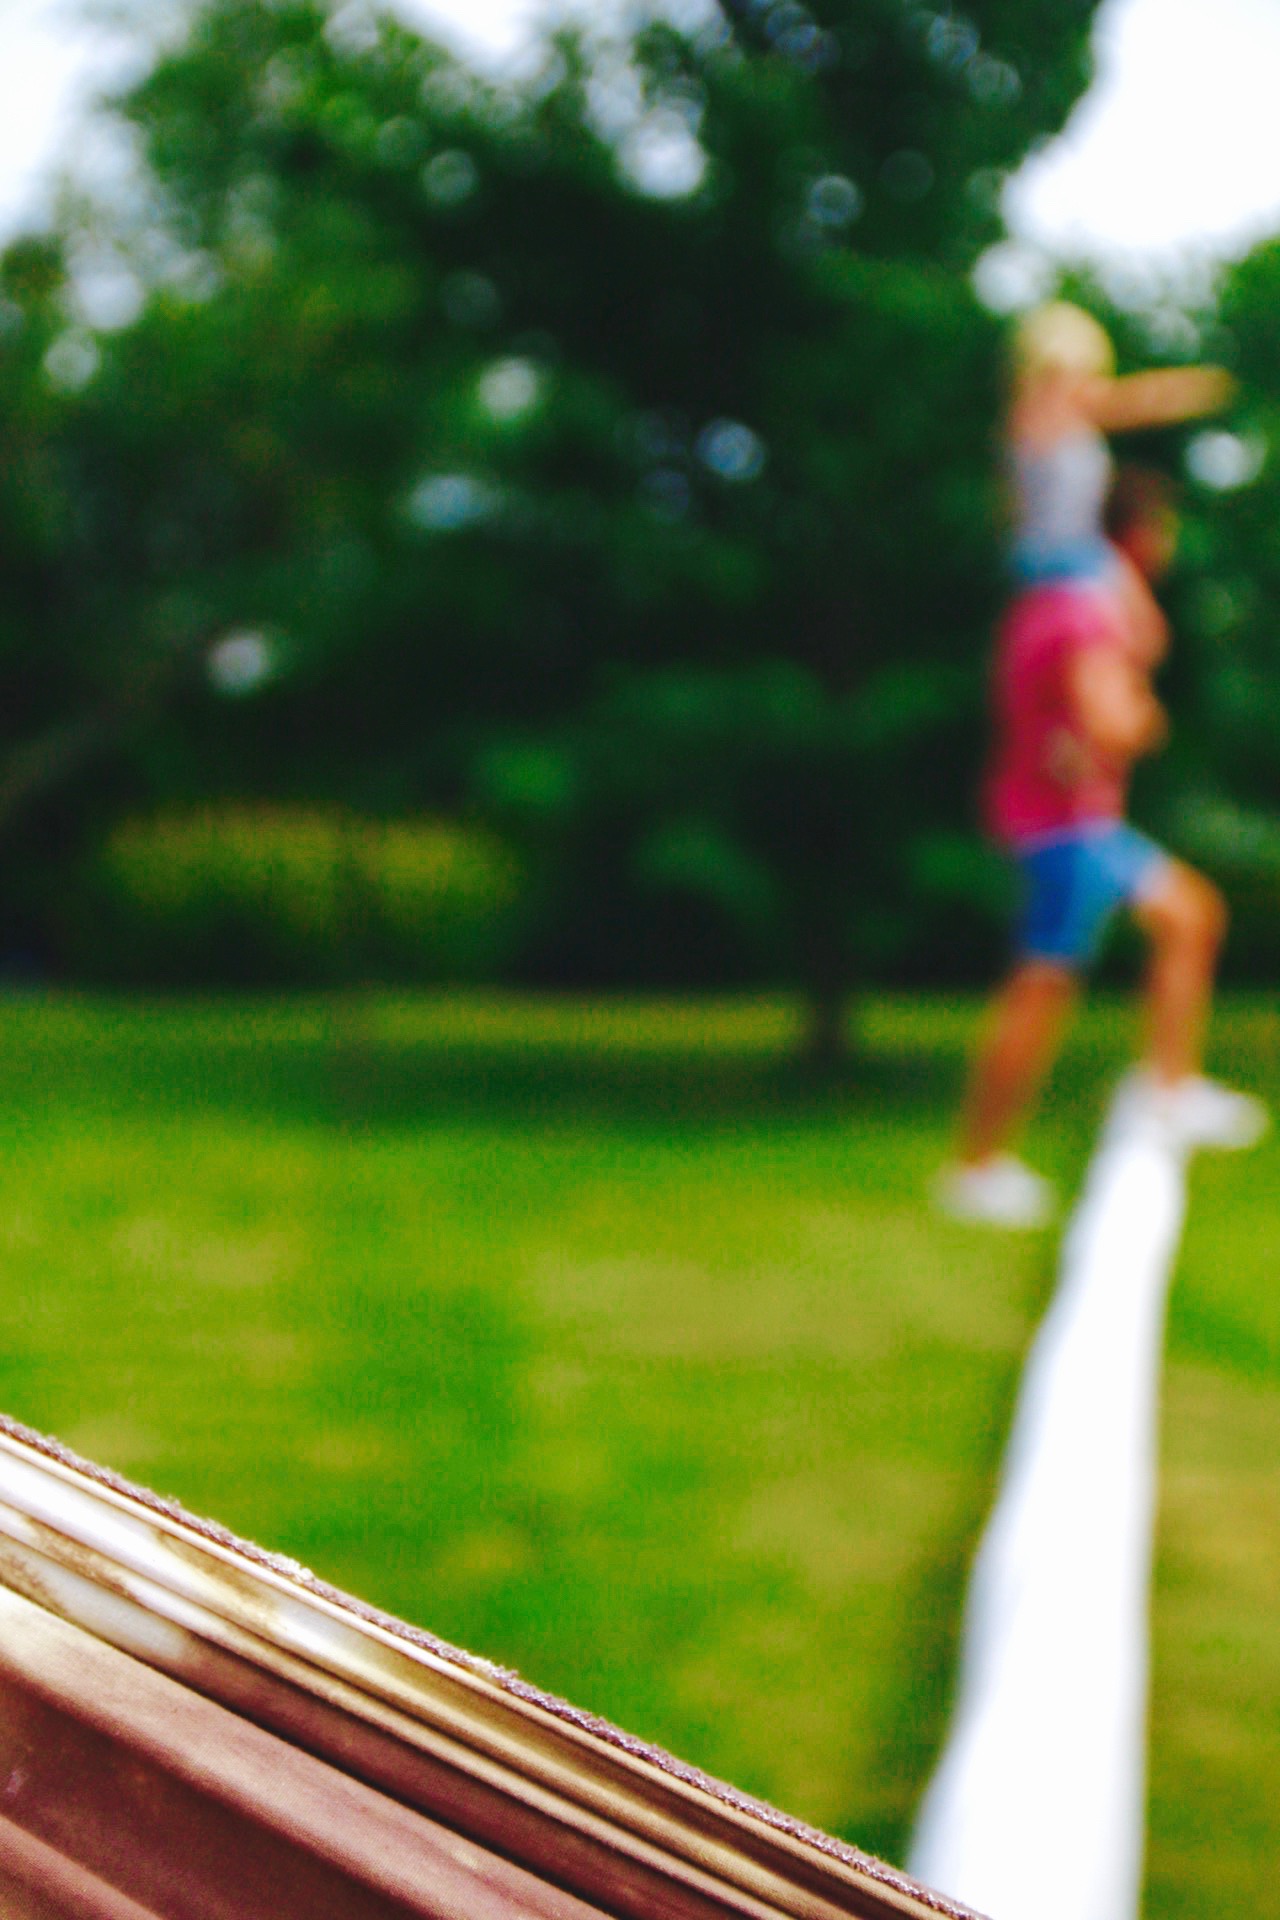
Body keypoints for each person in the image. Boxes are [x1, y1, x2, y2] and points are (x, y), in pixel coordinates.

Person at [936, 465, 1267, 1228]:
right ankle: (977, 1166)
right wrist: (1143, 711)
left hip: (1066, 822)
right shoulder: (1084, 615)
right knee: (1041, 989)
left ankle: (1169, 1087)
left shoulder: (1044, 606)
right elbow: (1111, 722)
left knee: (1188, 916)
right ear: (1139, 537)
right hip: (1065, 828)